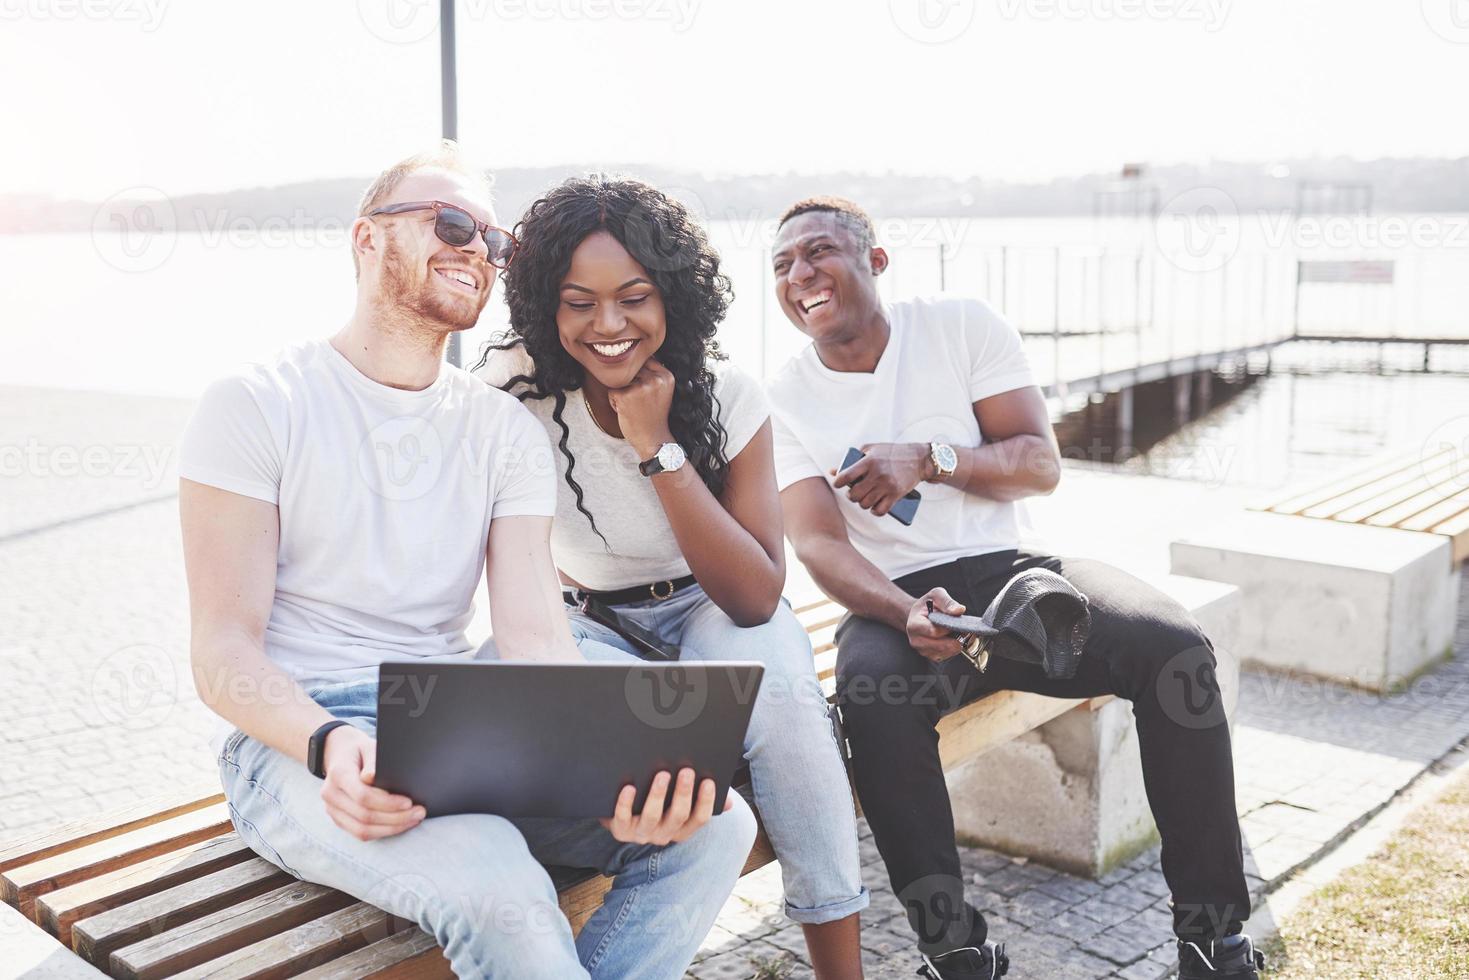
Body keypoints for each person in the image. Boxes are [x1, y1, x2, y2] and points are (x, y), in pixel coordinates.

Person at [177, 143, 756, 979]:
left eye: (493, 240)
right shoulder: (259, 402)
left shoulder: (501, 430)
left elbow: (533, 639)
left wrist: (609, 775)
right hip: (296, 743)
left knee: (715, 825)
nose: (475, 248)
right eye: (449, 222)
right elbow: (221, 650)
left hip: (451, 732)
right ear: (365, 238)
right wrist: (330, 742)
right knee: (498, 881)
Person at [764, 196, 1264, 980]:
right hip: (897, 602)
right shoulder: (782, 396)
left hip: (1012, 573)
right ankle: (957, 952)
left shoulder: (959, 326)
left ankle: (1212, 938)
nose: (799, 275)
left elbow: (1039, 464)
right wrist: (903, 611)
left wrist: (927, 459)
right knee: (871, 699)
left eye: (818, 252)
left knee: (1174, 655)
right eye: (782, 265)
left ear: (875, 261)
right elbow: (817, 544)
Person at [473, 175, 869, 979]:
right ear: (545, 306)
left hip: (707, 610)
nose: (608, 325)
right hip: (580, 622)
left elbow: (756, 594)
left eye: (634, 297)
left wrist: (657, 447)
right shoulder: (512, 389)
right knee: (640, 768)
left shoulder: (728, 393)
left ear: (674, 298)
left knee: (785, 691)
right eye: (578, 301)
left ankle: (841, 969)